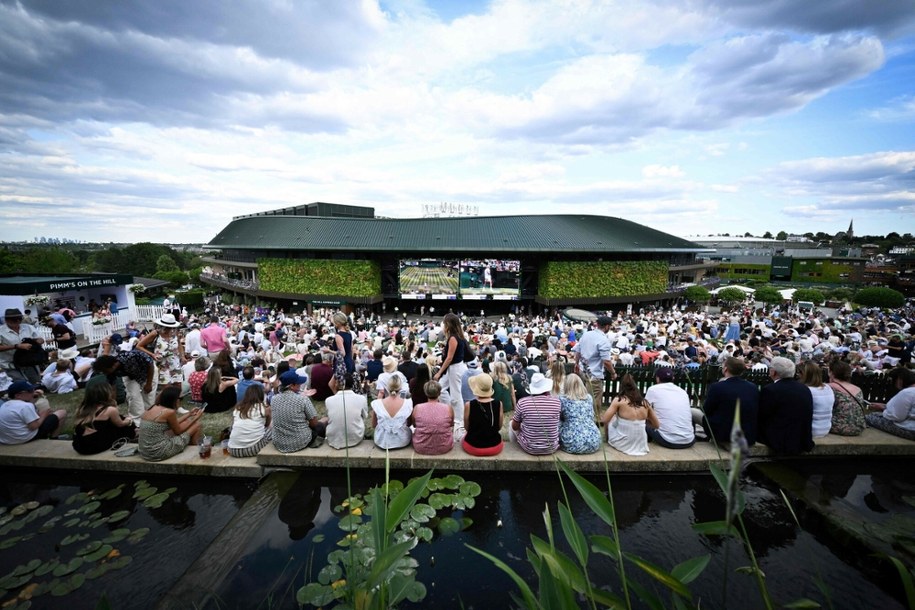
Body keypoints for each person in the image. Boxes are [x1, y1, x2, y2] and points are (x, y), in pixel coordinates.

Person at [758, 356, 814, 455]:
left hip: (781, 439)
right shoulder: (804, 388)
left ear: (773, 372)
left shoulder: (771, 390)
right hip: (801, 436)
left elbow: (762, 415)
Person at [699, 357, 759, 446]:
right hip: (747, 434)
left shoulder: (717, 387)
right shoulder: (753, 387)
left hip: (725, 434)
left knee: (693, 412)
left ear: (726, 368)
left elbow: (706, 410)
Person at [97, 336, 157, 424]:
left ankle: (150, 418)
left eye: (105, 371)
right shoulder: (110, 372)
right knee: (133, 396)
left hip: (148, 371)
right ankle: (137, 422)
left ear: (113, 366)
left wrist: (149, 383)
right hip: (131, 376)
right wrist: (113, 403)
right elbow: (113, 387)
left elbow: (150, 363)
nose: (105, 373)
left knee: (148, 397)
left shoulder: (129, 356)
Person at [138, 386, 203, 461]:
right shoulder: (169, 412)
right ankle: (195, 451)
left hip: (145, 451)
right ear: (174, 400)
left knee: (186, 422)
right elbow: (178, 431)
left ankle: (192, 446)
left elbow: (173, 424)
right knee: (197, 425)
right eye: (181, 398)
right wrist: (196, 418)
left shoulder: (153, 407)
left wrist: (189, 414)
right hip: (158, 452)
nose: (181, 401)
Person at [601, 373, 658, 456]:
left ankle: (608, 439)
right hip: (641, 444)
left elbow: (605, 420)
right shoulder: (645, 403)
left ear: (621, 387)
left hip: (622, 443)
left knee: (611, 419)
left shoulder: (619, 400)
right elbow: (657, 425)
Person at [573, 315, 617, 420]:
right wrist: (613, 373)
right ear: (607, 326)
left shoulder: (586, 334)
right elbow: (606, 361)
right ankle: (594, 420)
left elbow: (578, 351)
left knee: (584, 396)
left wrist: (576, 363)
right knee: (594, 399)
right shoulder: (604, 340)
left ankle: (585, 417)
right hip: (594, 374)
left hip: (583, 370)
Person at [72, 382, 136, 455]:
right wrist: (128, 420)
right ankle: (134, 434)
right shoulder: (110, 409)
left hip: (79, 445)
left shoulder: (83, 408)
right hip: (93, 446)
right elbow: (120, 424)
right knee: (125, 425)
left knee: (110, 422)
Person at [271, 370, 326, 452]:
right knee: (321, 425)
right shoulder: (302, 399)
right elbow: (314, 423)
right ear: (292, 386)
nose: (300, 385)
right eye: (298, 383)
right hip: (300, 441)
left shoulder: (274, 399)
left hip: (279, 442)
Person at [0, 381, 67, 444]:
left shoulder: (5, 405)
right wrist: (44, 414)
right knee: (62, 413)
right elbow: (33, 427)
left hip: (7, 440)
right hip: (24, 439)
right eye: (30, 391)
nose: (33, 392)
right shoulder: (25, 406)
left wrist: (33, 397)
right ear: (18, 395)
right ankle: (54, 438)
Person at [511, 372, 561, 455]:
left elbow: (514, 427)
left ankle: (513, 447)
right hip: (551, 447)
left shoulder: (523, 402)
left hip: (530, 448)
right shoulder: (557, 402)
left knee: (510, 423)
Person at [644, 367, 695, 449]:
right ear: (673, 378)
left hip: (668, 440)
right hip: (689, 440)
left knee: (644, 421)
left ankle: (648, 440)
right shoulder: (682, 391)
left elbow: (644, 409)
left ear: (657, 378)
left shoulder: (653, 389)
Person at [433, 313, 469, 427]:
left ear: (448, 324)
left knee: (456, 394)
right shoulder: (457, 336)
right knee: (441, 388)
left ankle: (459, 421)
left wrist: (439, 373)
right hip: (455, 367)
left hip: (455, 368)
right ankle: (450, 411)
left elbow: (449, 358)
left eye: (444, 323)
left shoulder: (454, 337)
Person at [136, 313, 185, 391]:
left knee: (178, 387)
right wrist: (152, 354)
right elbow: (139, 346)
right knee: (166, 389)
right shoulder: (155, 334)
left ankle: (176, 403)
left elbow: (179, 344)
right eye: (168, 327)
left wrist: (182, 356)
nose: (170, 329)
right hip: (162, 365)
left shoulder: (174, 333)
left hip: (175, 363)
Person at [866, 368, 915, 441]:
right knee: (876, 415)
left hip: (910, 430)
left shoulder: (907, 392)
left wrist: (884, 410)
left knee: (870, 417)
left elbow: (896, 416)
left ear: (899, 379)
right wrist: (885, 407)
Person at [461, 373, 504, 456]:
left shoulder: (469, 405)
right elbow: (499, 426)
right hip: (495, 446)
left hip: (473, 446)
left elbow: (467, 427)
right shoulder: (499, 404)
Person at [558, 373, 602, 454]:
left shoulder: (562, 399)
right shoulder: (589, 398)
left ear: (566, 385)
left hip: (573, 442)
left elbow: (560, 418)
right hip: (594, 440)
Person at [0, 308, 45, 383]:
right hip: (10, 364)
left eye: (19, 319)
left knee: (36, 383)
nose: (17, 321)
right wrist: (16, 346)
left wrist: (35, 341)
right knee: (21, 384)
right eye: (14, 319)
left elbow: (41, 339)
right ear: (7, 320)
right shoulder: (1, 331)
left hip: (29, 362)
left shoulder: (28, 327)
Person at [325, 373, 369, 449]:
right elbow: (365, 416)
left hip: (334, 439)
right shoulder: (361, 398)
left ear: (337, 384)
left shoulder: (328, 400)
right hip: (356, 437)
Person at [228, 384, 272, 457]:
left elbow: (233, 425)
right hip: (253, 448)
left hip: (233, 450)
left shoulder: (238, 408)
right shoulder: (264, 408)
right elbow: (267, 425)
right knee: (271, 431)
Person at [370, 373, 413, 450]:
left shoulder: (377, 403)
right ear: (400, 387)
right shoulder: (408, 403)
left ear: (387, 387)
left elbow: (373, 425)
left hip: (382, 441)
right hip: (403, 440)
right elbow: (409, 423)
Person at [411, 380, 453, 455]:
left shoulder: (418, 408)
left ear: (425, 393)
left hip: (421, 446)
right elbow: (451, 424)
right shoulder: (448, 408)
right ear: (439, 393)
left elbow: (414, 425)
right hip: (444, 446)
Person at [826, 359, 867, 436]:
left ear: (831, 372)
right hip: (859, 427)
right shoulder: (858, 389)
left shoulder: (829, 387)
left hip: (838, 427)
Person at [323, 312, 357, 394]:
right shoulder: (349, 334)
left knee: (335, 385)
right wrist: (351, 361)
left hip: (342, 363)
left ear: (337, 323)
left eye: (334, 322)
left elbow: (342, 353)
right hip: (349, 362)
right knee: (342, 385)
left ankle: (339, 400)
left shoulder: (338, 336)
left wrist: (329, 351)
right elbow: (351, 349)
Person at [799, 361, 833, 438]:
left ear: (804, 375)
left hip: (810, 430)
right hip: (825, 428)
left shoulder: (805, 390)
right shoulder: (828, 388)